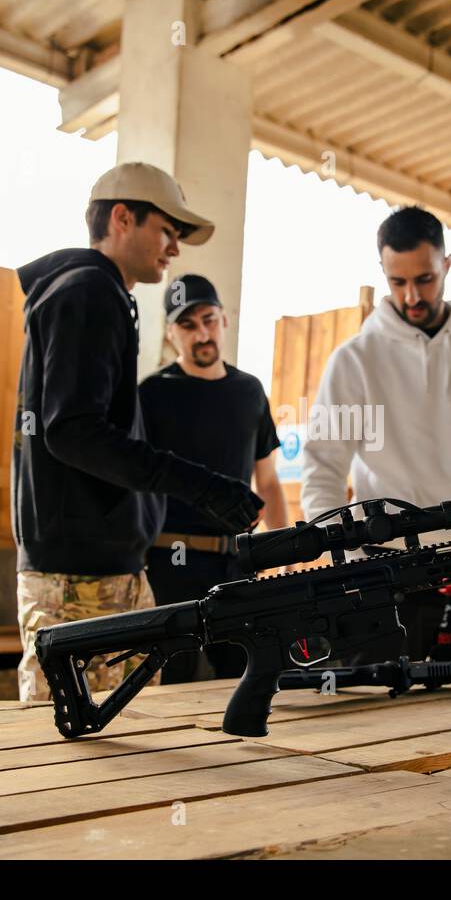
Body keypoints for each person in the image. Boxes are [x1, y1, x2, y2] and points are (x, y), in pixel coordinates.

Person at [12, 162, 264, 702]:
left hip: (112, 568)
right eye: (167, 231)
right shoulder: (86, 292)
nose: (174, 249)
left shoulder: (101, 294)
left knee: (131, 736)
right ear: (122, 218)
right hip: (78, 578)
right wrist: (202, 484)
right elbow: (73, 431)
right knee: (78, 751)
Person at [301, 205, 451, 662]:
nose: (412, 295)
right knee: (383, 723)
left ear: (447, 265)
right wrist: (343, 559)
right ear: (383, 272)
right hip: (383, 581)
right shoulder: (355, 361)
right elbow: (323, 467)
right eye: (398, 282)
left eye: (425, 279)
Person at [139, 274, 289, 682]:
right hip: (167, 563)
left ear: (224, 320)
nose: (201, 333)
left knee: (241, 678)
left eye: (208, 319)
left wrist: (285, 551)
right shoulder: (151, 394)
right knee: (168, 684)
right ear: (171, 334)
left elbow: (269, 482)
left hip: (235, 565)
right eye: (187, 325)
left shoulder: (250, 391)